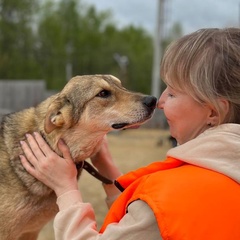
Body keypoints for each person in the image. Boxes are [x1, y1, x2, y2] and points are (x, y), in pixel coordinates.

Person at [20, 27, 240, 239]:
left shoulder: (167, 200)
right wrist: (106, 169)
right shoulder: (221, 176)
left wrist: (65, 187)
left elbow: (152, 216)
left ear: (213, 111)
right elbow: (138, 227)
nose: (159, 102)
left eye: (172, 93)